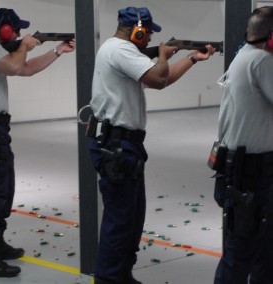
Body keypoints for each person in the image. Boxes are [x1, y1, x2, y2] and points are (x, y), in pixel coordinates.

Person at [86, 6, 215, 284]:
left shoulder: (125, 52)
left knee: (131, 219)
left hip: (125, 145)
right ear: (138, 30)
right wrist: (164, 56)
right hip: (117, 145)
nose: (148, 41)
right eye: (147, 35)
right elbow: (158, 79)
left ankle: (121, 273)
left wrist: (192, 58)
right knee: (120, 219)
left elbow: (163, 79)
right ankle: (108, 279)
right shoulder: (120, 50)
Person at [0, 8, 75, 278]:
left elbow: (26, 69)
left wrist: (57, 52)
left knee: (4, 188)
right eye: (15, 30)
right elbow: (14, 65)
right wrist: (26, 46)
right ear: (6, 30)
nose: (18, 35)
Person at [212, 6, 273, 284]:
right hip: (253, 173)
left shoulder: (243, 56)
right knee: (243, 252)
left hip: (241, 168)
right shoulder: (261, 61)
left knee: (261, 249)